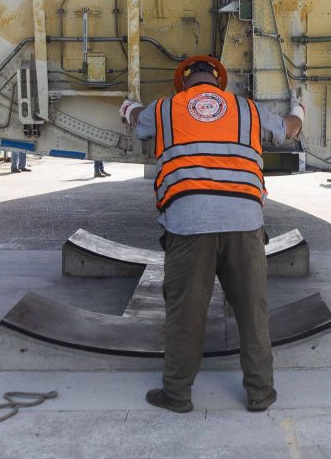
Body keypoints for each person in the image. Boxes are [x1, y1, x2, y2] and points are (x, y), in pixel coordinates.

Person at [119, 55, 304, 414]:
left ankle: (177, 394)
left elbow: (140, 121)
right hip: (245, 223)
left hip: (189, 223)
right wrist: (299, 109)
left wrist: (128, 107)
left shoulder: (168, 108)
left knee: (186, 311)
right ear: (218, 83)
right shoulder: (246, 109)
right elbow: (289, 129)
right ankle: (260, 392)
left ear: (184, 84)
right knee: (252, 312)